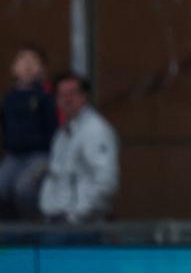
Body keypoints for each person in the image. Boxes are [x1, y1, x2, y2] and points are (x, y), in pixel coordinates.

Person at [39, 73, 119, 224]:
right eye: (62, 95)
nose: (67, 99)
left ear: (84, 97)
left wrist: (76, 216)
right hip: (56, 219)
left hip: (81, 224)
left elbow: (106, 182)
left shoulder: (95, 130)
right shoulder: (62, 133)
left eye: (72, 94)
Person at [0, 45, 58, 220]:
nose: (27, 65)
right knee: (2, 187)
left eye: (33, 62)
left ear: (42, 70)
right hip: (14, 156)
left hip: (39, 154)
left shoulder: (45, 97)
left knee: (24, 188)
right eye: (22, 60)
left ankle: (34, 224)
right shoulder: (9, 98)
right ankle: (10, 229)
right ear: (14, 68)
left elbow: (53, 127)